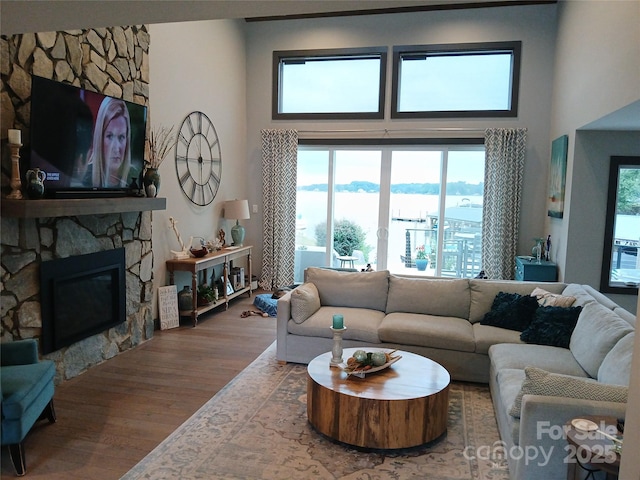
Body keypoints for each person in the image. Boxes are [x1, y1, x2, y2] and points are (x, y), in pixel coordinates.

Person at [86, 97, 132, 188]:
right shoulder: (83, 179)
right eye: (110, 136)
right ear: (100, 138)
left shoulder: (132, 180)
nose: (116, 147)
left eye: (121, 137)